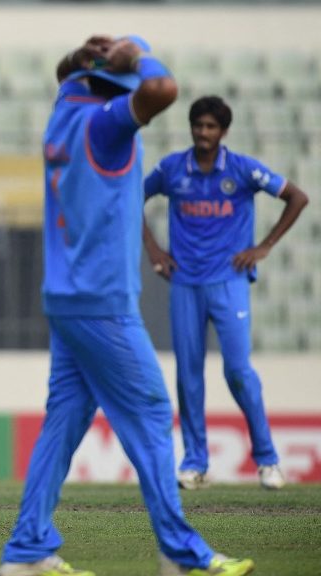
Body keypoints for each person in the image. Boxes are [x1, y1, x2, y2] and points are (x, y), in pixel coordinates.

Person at [0, 37, 254, 576]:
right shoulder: (106, 126)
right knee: (153, 413)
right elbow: (162, 88)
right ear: (117, 90)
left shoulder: (64, 110)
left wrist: (87, 57)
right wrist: (135, 49)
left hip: (66, 297)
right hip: (103, 302)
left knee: (65, 420)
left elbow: (69, 73)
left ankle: (26, 553)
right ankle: (181, 556)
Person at [143, 95, 309, 492]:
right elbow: (131, 198)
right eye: (198, 125)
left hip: (229, 282)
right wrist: (154, 250)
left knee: (237, 370)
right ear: (191, 128)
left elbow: (297, 197)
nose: (203, 133)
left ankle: (268, 460)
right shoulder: (171, 169)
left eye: (211, 127)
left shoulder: (242, 169)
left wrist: (264, 246)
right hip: (185, 283)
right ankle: (196, 463)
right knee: (188, 375)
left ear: (223, 131)